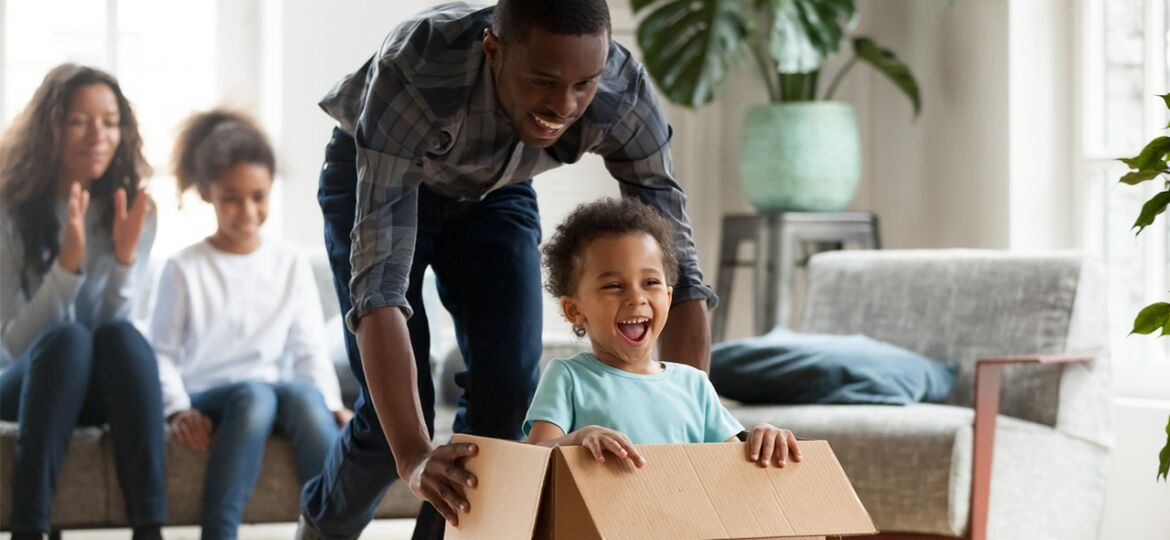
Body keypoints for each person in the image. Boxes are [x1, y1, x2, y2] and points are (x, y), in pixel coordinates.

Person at [300, 1, 716, 538]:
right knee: (394, 429)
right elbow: (378, 292)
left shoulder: (621, 92)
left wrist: (687, 451)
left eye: (582, 84)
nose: (564, 104)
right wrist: (415, 458)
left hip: (497, 190)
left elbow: (678, 272)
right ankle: (320, 529)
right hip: (381, 175)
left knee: (507, 401)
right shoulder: (419, 68)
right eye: (543, 80)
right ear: (493, 51)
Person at [147, 109, 352, 540]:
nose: (247, 210)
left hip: (274, 395)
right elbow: (161, 353)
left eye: (258, 195)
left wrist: (331, 404)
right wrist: (178, 408)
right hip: (212, 395)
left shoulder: (289, 262)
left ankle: (334, 530)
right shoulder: (183, 267)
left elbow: (308, 347)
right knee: (256, 395)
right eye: (232, 198)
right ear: (208, 193)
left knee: (301, 393)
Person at [0, 64, 165, 540]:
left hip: (96, 384)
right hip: (24, 384)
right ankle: (30, 530)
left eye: (110, 122)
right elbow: (14, 344)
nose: (98, 135)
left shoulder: (131, 209)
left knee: (121, 337)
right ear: (50, 126)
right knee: (68, 340)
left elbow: (114, 332)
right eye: (79, 120)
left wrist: (123, 258)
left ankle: (149, 529)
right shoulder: (11, 209)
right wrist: (67, 268)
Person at [524, 198, 800, 468]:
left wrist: (763, 436)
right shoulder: (568, 378)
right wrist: (578, 439)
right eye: (613, 286)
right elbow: (532, 461)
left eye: (650, 282)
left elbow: (731, 468)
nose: (636, 297)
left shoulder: (693, 385)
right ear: (574, 310)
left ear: (668, 298)